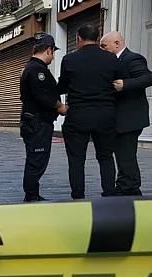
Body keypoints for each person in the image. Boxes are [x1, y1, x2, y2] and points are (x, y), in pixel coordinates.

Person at [58, 24, 122, 199]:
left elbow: (62, 86)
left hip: (78, 114)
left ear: (79, 39)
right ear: (97, 37)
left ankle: (78, 196)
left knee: (76, 160)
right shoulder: (111, 59)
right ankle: (109, 193)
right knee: (106, 157)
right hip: (105, 114)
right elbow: (119, 83)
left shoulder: (69, 59)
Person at [100, 31, 152, 196]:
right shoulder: (112, 61)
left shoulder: (132, 58)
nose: (102, 50)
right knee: (122, 153)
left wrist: (125, 84)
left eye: (104, 47)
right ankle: (125, 185)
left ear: (117, 43)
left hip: (130, 118)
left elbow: (147, 77)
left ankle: (130, 187)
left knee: (126, 154)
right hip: (119, 118)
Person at [19, 34, 67, 202]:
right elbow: (42, 95)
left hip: (35, 122)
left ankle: (33, 194)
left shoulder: (32, 68)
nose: (53, 57)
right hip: (37, 123)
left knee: (36, 159)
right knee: (36, 160)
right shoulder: (36, 70)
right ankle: (31, 196)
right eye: (53, 53)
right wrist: (60, 106)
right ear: (49, 49)